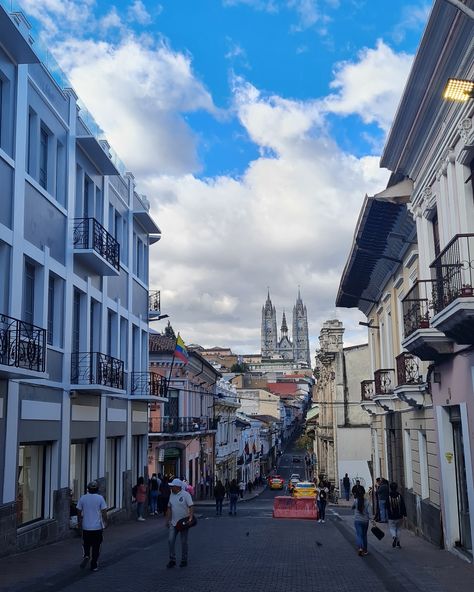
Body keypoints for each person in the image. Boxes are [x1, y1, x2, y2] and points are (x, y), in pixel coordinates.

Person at [76, 481, 107, 572]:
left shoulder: (83, 498)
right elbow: (104, 512)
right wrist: (105, 521)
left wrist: (79, 523)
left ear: (88, 489)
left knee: (86, 543)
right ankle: (94, 565)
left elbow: (78, 511)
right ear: (97, 489)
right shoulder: (100, 498)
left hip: (86, 526)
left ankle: (86, 555)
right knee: (96, 546)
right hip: (97, 527)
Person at [166, 479, 194, 568]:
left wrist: (190, 517)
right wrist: (167, 520)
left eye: (172, 486)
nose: (171, 487)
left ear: (177, 487)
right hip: (173, 522)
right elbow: (169, 508)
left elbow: (191, 506)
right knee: (170, 541)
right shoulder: (171, 495)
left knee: (183, 542)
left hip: (183, 523)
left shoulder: (186, 495)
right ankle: (172, 559)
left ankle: (184, 559)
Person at [387, 482, 407, 548]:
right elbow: (403, 505)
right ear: (396, 488)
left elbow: (386, 506)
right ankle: (398, 543)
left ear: (390, 488)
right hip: (399, 516)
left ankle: (394, 536)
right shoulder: (399, 496)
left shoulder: (388, 496)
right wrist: (405, 515)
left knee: (392, 528)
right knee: (398, 529)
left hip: (391, 516)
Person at [352, 492, 370, 557]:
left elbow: (352, 507)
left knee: (359, 535)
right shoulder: (367, 502)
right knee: (364, 535)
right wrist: (372, 520)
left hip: (357, 520)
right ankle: (365, 550)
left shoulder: (356, 501)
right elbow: (369, 512)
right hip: (365, 521)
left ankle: (360, 548)